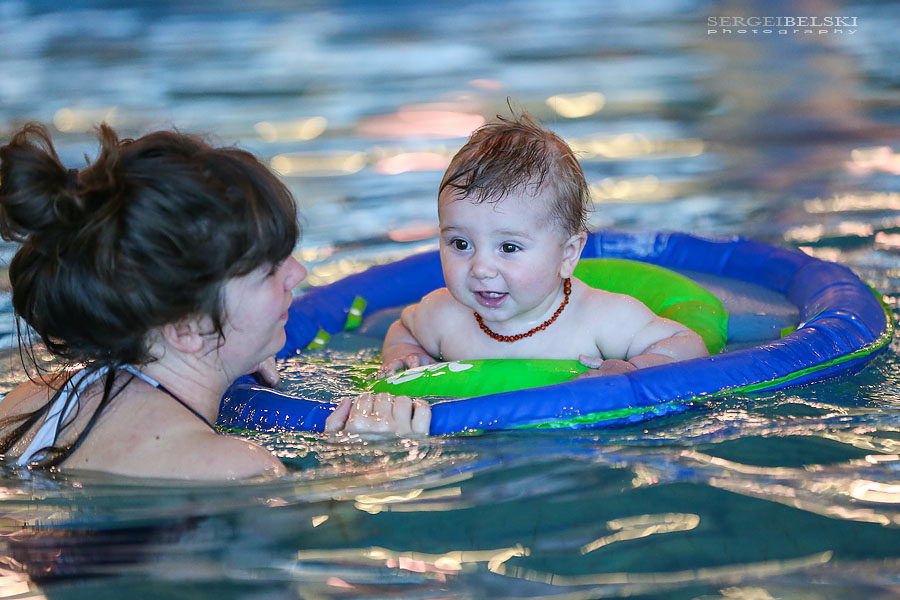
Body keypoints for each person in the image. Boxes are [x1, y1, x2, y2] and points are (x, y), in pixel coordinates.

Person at [0, 124, 430, 480]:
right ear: (188, 329)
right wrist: (367, 459)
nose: (297, 273)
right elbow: (324, 549)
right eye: (268, 270)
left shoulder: (28, 402)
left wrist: (230, 352)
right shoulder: (236, 467)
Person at [380, 113, 708, 377]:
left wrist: (632, 369)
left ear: (568, 255)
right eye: (460, 243)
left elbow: (688, 345)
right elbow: (403, 327)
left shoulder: (601, 318)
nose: (480, 268)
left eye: (508, 247)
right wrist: (405, 352)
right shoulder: (442, 316)